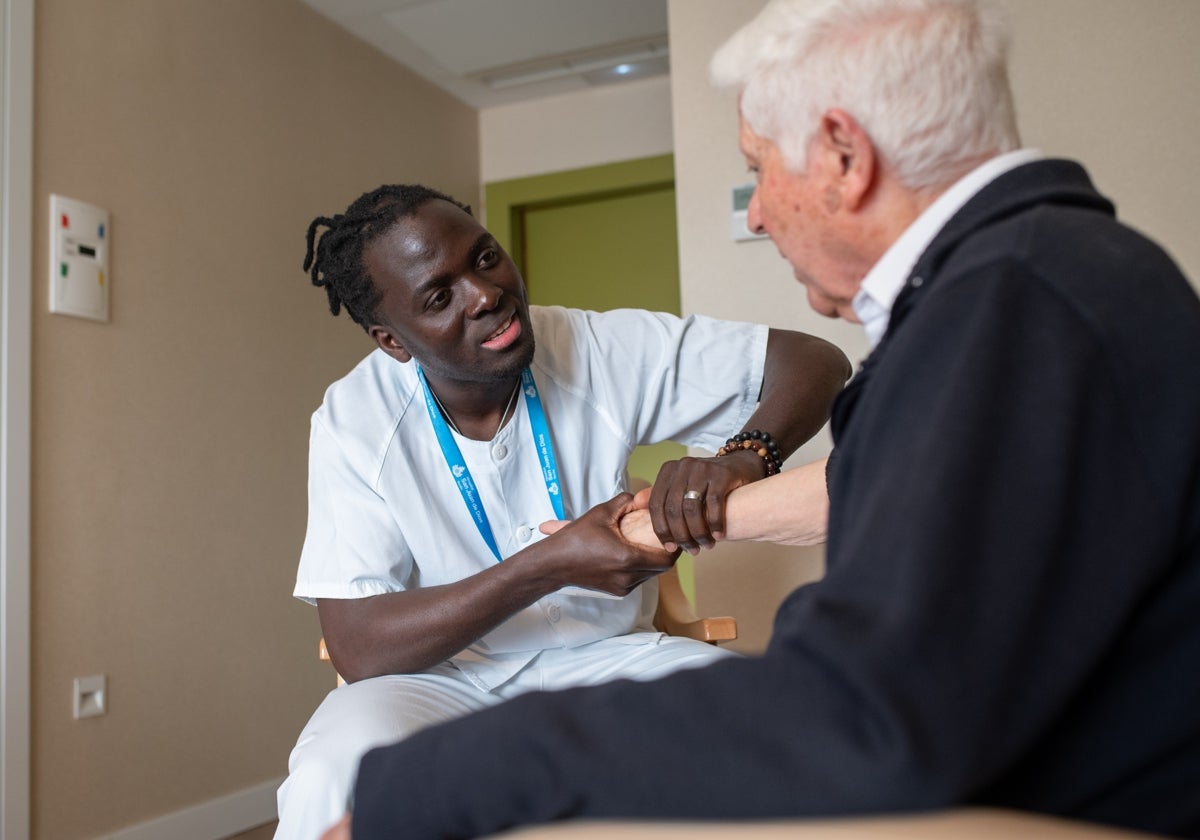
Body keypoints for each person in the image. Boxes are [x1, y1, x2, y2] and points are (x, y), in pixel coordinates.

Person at [321, 0, 1200, 838]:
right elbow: (896, 540)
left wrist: (455, 775)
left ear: (843, 156)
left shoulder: (1013, 312)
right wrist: (686, 516)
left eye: (757, 170)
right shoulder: (1039, 285)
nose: (759, 213)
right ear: (391, 337)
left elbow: (869, 714)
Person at [273, 183, 852, 839]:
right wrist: (548, 566)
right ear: (393, 341)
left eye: (485, 258)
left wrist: (743, 458)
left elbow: (814, 361)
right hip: (439, 683)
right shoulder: (355, 419)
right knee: (333, 775)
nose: (485, 293)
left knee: (771, 725)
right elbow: (359, 649)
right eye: (440, 297)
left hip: (611, 657)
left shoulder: (597, 344)